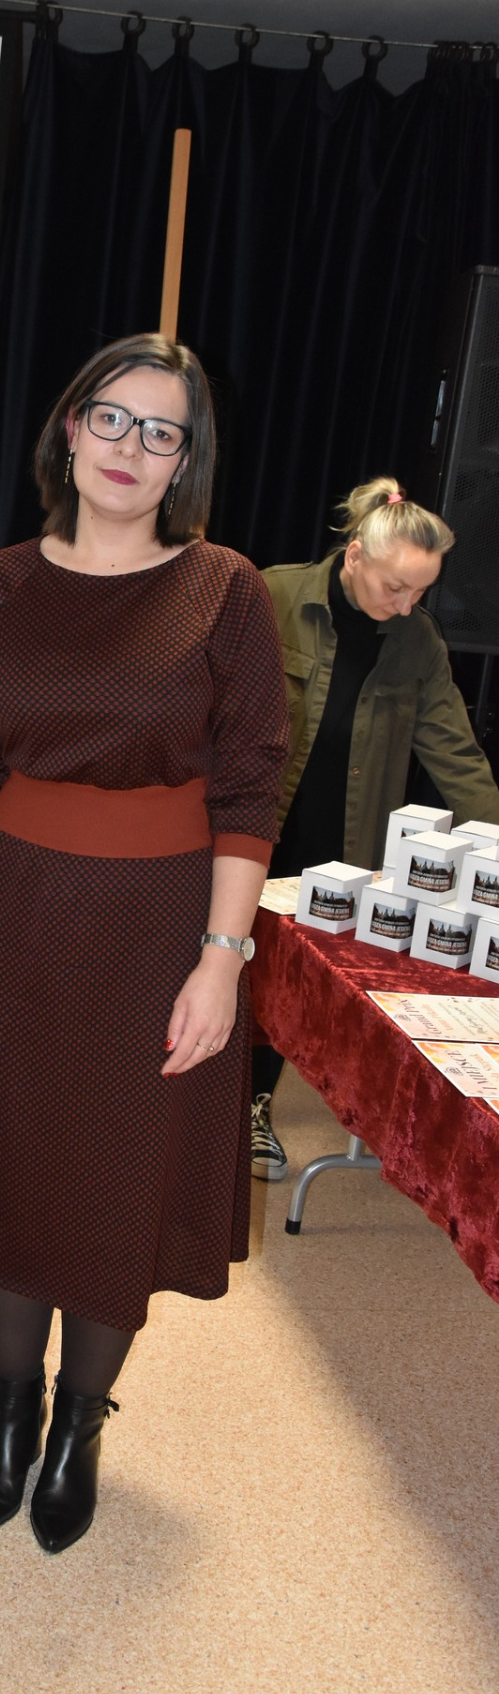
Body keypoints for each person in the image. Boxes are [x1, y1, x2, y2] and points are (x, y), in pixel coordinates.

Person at [0, 332, 288, 1554]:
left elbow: (249, 787)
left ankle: (77, 1424)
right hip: (8, 921)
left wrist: (220, 959)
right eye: (110, 419)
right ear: (69, 429)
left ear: (184, 461)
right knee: (9, 1167)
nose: (129, 448)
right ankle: (10, 1410)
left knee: (115, 1180)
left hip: (157, 930)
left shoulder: (223, 590)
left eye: (160, 432)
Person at [251, 478, 499, 1179]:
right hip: (255, 824)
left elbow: (455, 753)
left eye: (420, 591)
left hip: (344, 844)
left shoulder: (417, 641)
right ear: (355, 554)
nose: (407, 605)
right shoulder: (272, 595)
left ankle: (253, 1106)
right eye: (396, 587)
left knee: (279, 983)